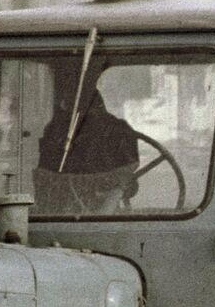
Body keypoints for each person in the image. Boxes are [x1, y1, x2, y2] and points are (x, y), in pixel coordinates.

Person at [34, 61, 139, 212]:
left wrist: (118, 187)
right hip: (61, 210)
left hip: (107, 205)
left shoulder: (119, 131)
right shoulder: (56, 131)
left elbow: (128, 171)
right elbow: (45, 178)